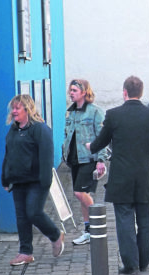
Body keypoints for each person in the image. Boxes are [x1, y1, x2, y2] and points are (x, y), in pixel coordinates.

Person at [87, 76, 149, 275]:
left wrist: (90, 147)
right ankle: (144, 261)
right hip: (144, 174)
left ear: (124, 92)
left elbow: (101, 141)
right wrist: (145, 156)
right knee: (146, 219)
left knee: (124, 220)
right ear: (141, 92)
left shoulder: (113, 115)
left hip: (121, 175)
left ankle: (131, 264)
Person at [1, 94, 64, 266]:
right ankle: (25, 252)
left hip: (37, 180)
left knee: (34, 212)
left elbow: (46, 156)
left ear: (27, 109)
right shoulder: (13, 130)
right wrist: (5, 178)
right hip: (18, 180)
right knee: (21, 217)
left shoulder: (40, 129)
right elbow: (8, 155)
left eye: (17, 108)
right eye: (12, 108)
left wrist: (45, 180)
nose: (14, 111)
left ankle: (55, 235)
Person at [62, 79, 108, 245]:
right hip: (74, 160)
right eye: (70, 90)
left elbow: (102, 137)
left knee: (80, 194)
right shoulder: (71, 113)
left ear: (84, 92)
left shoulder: (95, 112)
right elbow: (67, 135)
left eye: (74, 90)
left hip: (89, 158)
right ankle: (88, 230)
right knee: (82, 195)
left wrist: (101, 160)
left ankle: (96, 227)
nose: (71, 93)